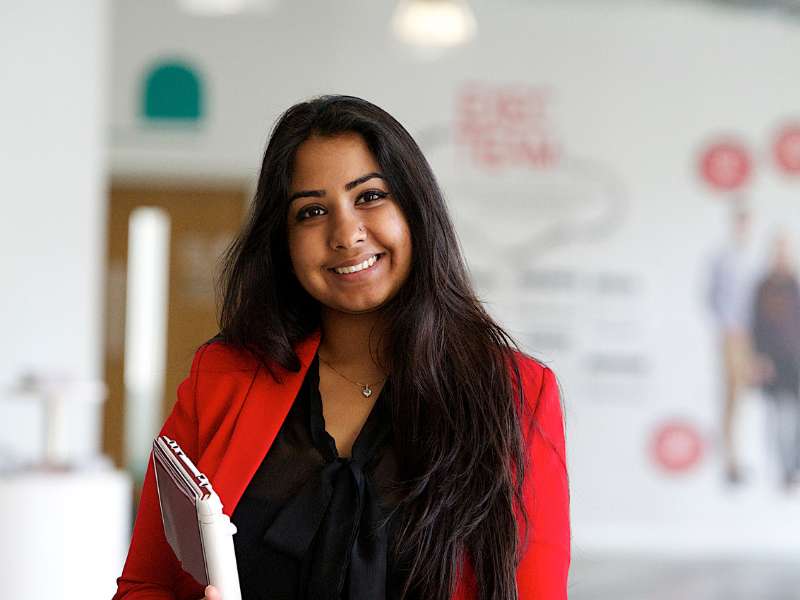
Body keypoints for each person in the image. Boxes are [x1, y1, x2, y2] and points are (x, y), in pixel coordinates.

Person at [113, 95, 570, 600]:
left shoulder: (516, 392)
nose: (347, 234)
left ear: (415, 210)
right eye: (311, 211)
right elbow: (145, 583)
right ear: (283, 241)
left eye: (370, 197)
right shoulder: (222, 376)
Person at [707, 204, 755, 485]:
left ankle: (742, 456)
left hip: (751, 337)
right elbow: (713, 296)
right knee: (732, 396)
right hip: (732, 336)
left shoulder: (752, 258)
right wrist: (729, 327)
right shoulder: (722, 258)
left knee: (745, 398)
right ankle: (730, 459)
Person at [751, 232, 800, 490]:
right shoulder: (763, 287)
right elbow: (756, 326)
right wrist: (760, 358)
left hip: (795, 360)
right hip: (774, 361)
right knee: (782, 416)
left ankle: (792, 465)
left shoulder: (794, 284)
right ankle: (784, 469)